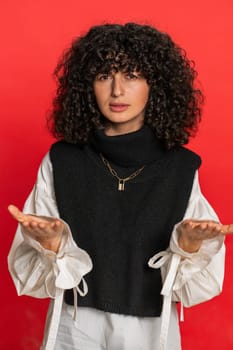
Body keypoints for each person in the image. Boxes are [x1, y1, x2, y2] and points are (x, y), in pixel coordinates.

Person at [8, 23, 233, 350]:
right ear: (87, 86)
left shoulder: (182, 168)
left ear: (155, 85)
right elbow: (34, 266)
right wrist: (52, 244)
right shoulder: (62, 160)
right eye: (104, 76)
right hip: (75, 325)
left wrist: (187, 246)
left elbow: (198, 283)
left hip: (152, 330)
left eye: (131, 75)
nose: (117, 90)